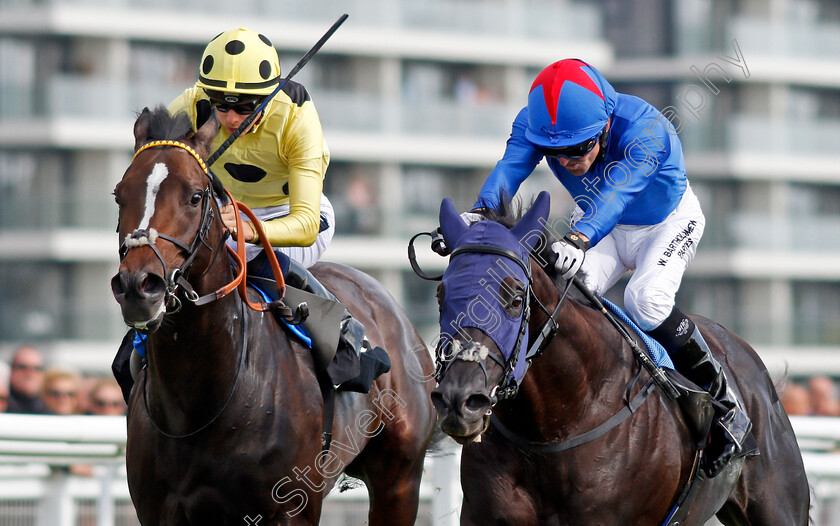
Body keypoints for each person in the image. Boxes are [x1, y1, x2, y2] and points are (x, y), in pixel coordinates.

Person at [466, 59, 750, 478]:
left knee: (646, 300)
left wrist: (580, 237)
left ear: (604, 127)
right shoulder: (534, 122)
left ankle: (727, 407)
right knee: (562, 299)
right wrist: (481, 213)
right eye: (556, 153)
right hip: (610, 228)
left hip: (666, 223)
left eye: (579, 148)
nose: (567, 162)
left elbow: (618, 193)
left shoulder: (647, 129)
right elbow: (510, 169)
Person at [112, 27, 389, 401]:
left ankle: (348, 336)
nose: (229, 117)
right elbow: (155, 167)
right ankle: (143, 338)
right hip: (221, 212)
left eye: (245, 106)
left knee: (249, 258)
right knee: (183, 262)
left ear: (267, 96)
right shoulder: (193, 102)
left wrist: (250, 229)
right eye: (221, 105)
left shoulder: (296, 117)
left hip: (292, 217)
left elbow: (305, 224)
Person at [6, 345, 47, 414]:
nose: (30, 373)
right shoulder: (3, 404)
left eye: (37, 368)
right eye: (23, 367)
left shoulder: (50, 404)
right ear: (11, 371)